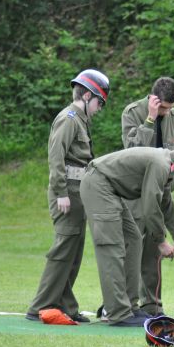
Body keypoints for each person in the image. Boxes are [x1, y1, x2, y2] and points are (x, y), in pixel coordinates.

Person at [80, 133, 174, 327]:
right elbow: (151, 207)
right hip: (98, 185)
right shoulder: (160, 164)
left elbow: (166, 203)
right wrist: (161, 242)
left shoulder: (167, 167)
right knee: (112, 248)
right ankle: (118, 312)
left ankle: (130, 306)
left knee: (134, 239)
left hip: (110, 190)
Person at [26, 69, 109, 323]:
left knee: (73, 253)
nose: (99, 108)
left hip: (77, 192)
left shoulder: (80, 120)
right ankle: (40, 306)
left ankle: (65, 306)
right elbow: (56, 157)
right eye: (99, 102)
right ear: (87, 95)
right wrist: (61, 192)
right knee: (63, 251)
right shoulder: (69, 118)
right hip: (67, 193)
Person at [121, 77, 174, 316]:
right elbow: (131, 150)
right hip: (134, 192)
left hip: (162, 190)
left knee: (154, 249)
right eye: (163, 108)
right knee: (131, 248)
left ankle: (152, 305)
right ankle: (123, 303)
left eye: (171, 108)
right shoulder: (132, 113)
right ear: (154, 100)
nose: (167, 112)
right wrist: (150, 120)